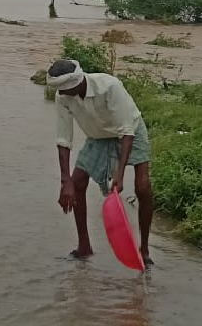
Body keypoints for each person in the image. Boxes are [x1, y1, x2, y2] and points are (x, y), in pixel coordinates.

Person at [47, 59, 154, 263]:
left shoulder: (110, 86)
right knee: (77, 182)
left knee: (143, 187)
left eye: (65, 89)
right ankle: (84, 246)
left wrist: (120, 174)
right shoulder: (63, 97)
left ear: (78, 82)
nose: (61, 93)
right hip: (98, 136)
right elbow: (64, 139)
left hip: (131, 130)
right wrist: (65, 181)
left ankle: (145, 250)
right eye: (59, 90)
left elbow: (126, 132)